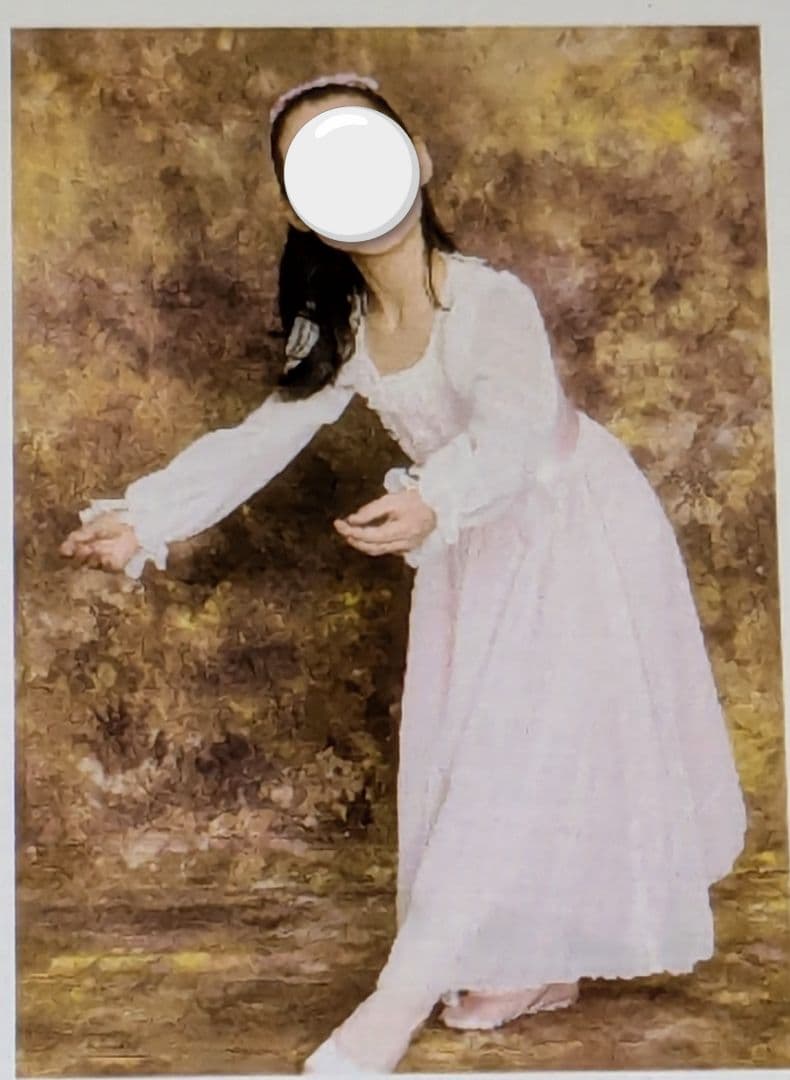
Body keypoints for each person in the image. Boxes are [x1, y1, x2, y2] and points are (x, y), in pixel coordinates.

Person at [59, 72, 748, 1075]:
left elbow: (515, 430)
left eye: (365, 147)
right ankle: (532, 958)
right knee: (477, 760)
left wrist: (434, 497)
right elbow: (261, 437)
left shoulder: (490, 300)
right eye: (318, 166)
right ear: (301, 208)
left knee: (535, 755)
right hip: (474, 549)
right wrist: (148, 517)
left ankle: (397, 996)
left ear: (415, 161)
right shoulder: (339, 328)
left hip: (571, 529)